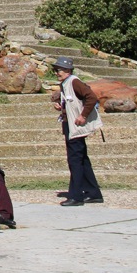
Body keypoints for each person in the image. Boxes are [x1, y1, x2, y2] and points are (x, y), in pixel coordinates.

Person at [52, 56, 103, 206]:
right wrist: (61, 108)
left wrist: (83, 115)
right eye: (56, 70)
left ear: (68, 70)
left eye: (59, 70)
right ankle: (93, 193)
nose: (56, 73)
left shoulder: (74, 82)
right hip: (71, 126)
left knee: (75, 160)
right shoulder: (67, 83)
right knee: (82, 160)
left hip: (75, 127)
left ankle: (76, 196)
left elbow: (91, 97)